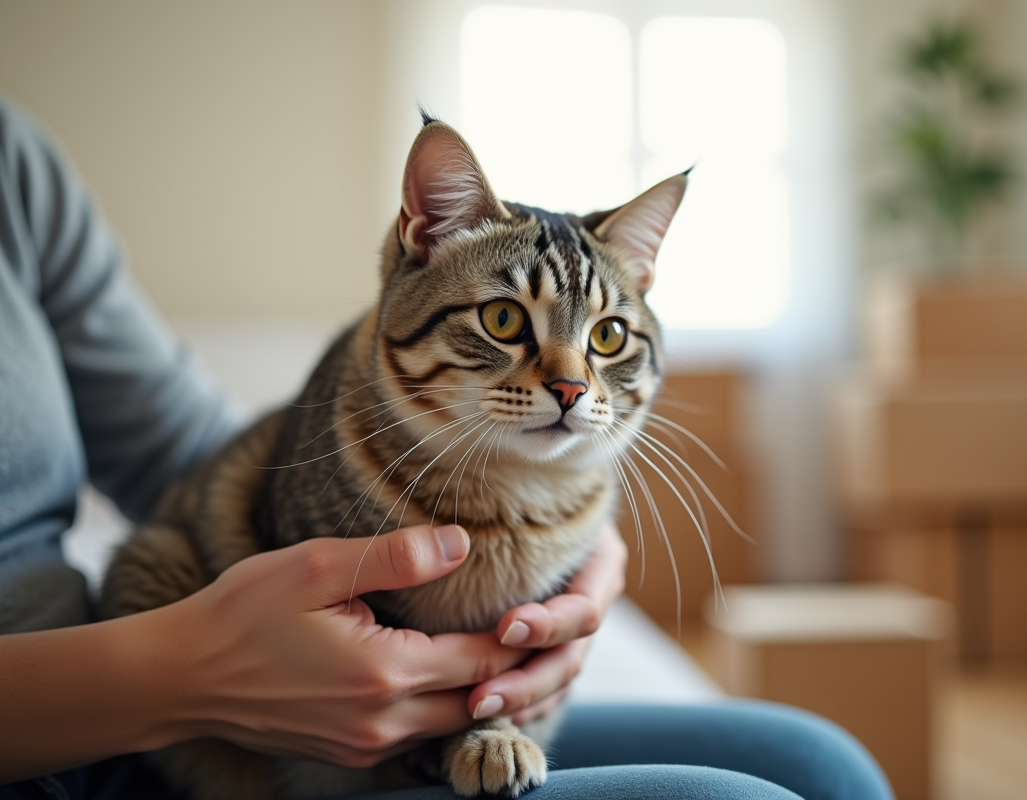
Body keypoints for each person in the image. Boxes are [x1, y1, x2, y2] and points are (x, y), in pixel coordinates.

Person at [0, 97, 893, 800]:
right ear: (422, 242)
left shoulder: (19, 167)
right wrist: (184, 677)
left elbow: (193, 452)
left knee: (827, 769)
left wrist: (569, 603)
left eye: (609, 340)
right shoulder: (361, 432)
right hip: (189, 748)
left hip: (326, 738)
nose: (567, 381)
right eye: (506, 321)